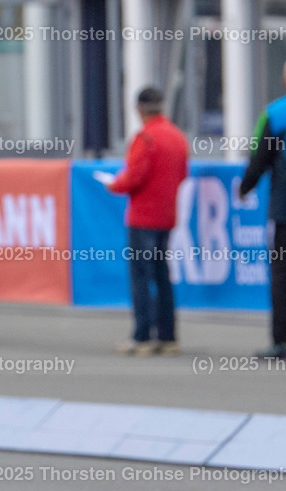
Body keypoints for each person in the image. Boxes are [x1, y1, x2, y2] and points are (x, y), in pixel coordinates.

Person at [100, 87, 188, 356]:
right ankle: (167, 336)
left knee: (140, 277)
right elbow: (182, 173)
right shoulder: (177, 137)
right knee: (162, 275)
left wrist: (114, 185)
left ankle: (142, 336)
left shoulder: (146, 137)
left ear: (139, 110)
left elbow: (133, 177)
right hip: (166, 217)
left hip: (143, 218)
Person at [239, 62, 286, 360]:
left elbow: (259, 158)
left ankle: (281, 342)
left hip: (283, 213)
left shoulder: (274, 113)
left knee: (282, 275)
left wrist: (245, 188)